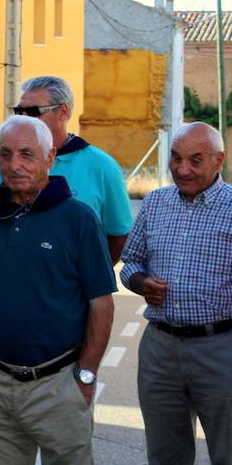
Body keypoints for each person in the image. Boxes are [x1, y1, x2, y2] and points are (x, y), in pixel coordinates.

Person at [0, 115, 116, 465]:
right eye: (6, 154)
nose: (14, 165)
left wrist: (86, 375)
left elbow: (101, 302)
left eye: (27, 154)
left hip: (58, 383)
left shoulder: (78, 218)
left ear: (50, 158)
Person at [120, 121, 232, 465]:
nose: (182, 170)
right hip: (161, 349)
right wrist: (141, 283)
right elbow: (130, 263)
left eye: (195, 160)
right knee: (166, 454)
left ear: (219, 160)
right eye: (176, 158)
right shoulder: (155, 203)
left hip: (221, 348)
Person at [0, 76, 132, 263]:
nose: (24, 119)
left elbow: (118, 235)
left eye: (33, 111)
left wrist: (89, 278)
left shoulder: (102, 167)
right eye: (19, 111)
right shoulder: (2, 166)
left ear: (62, 112)